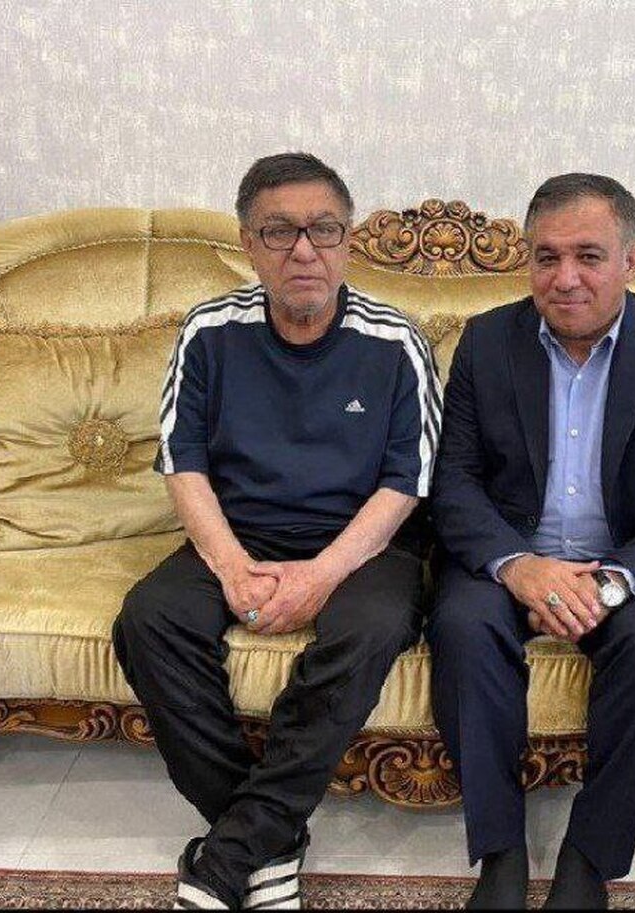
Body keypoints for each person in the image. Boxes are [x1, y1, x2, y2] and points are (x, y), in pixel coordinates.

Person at [113, 152, 441, 910]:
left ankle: (230, 853)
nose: (304, 250)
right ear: (247, 243)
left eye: (323, 229)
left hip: (363, 545)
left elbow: (408, 481)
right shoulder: (208, 330)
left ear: (347, 240)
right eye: (279, 230)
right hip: (239, 532)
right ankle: (271, 841)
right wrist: (232, 567)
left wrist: (322, 575)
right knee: (148, 620)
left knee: (371, 627)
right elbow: (183, 462)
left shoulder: (397, 340)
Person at [427, 173, 635, 909]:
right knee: (463, 626)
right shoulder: (487, 342)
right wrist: (520, 567)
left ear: (631, 261)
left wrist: (607, 583)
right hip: (510, 557)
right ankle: (501, 855)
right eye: (546, 257)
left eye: (588, 256)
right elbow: (455, 484)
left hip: (626, 563)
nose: (565, 277)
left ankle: (587, 861)